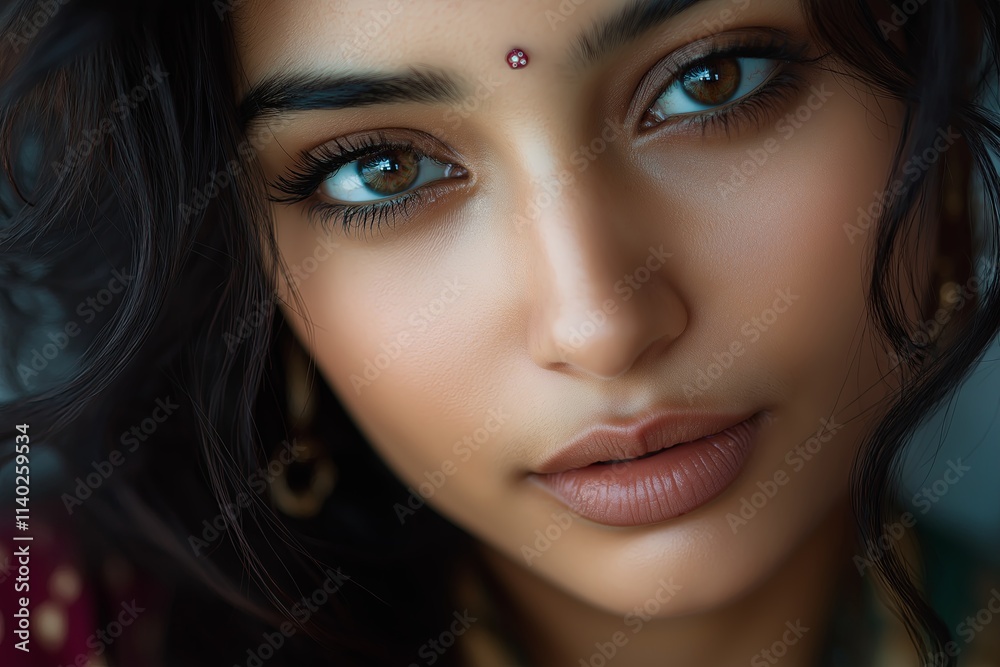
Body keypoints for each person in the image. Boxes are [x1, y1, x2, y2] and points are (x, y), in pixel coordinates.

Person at [1, 0, 999, 665]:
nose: (598, 325)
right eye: (382, 169)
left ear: (929, 95)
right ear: (253, 277)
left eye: (712, 82)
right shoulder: (59, 628)